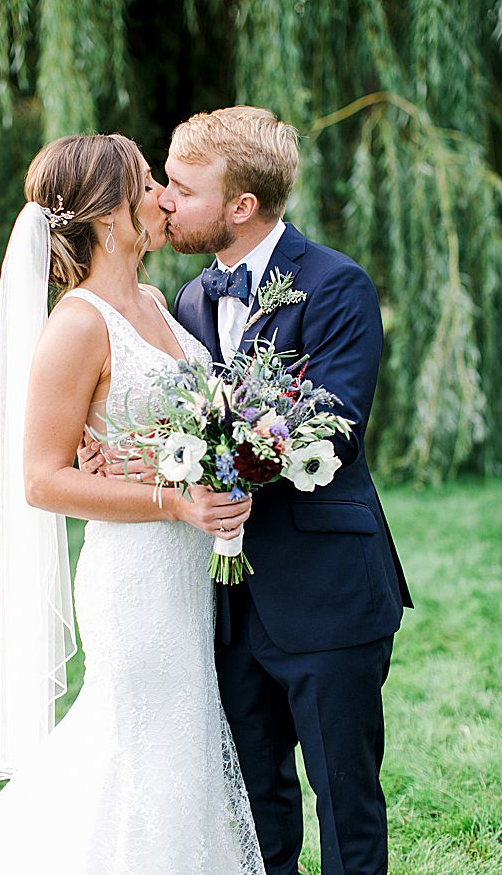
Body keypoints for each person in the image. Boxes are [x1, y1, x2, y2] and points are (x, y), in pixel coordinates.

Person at [0, 134, 264, 873]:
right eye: (149, 184)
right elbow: (41, 480)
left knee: (175, 744)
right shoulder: (79, 323)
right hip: (135, 577)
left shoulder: (150, 299)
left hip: (186, 573)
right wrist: (173, 500)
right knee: (150, 748)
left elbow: (167, 421)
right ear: (111, 213)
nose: (164, 198)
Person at [156, 106, 413, 875]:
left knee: (345, 800)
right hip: (228, 606)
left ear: (241, 206)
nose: (164, 198)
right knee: (255, 807)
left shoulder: (336, 286)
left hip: (327, 590)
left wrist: (229, 449)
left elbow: (333, 429)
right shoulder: (190, 301)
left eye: (181, 186)